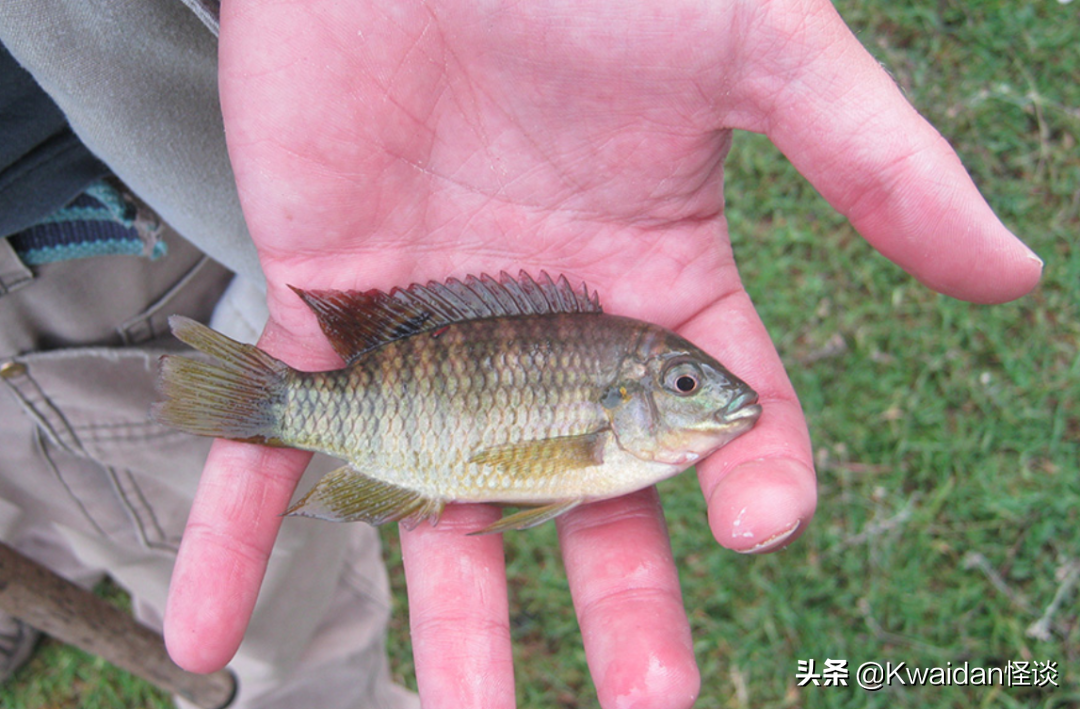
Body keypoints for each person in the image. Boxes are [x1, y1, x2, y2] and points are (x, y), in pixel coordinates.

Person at [0, 1, 1042, 708]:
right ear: (632, 401)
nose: (705, 394)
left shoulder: (603, 437)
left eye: (687, 381)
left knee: (177, 523)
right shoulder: (598, 436)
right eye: (684, 384)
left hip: (88, 188)